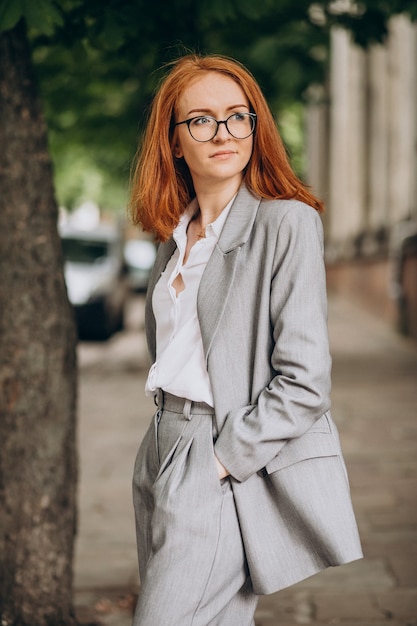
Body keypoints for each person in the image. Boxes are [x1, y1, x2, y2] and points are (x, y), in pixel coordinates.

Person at [129, 53, 363, 626]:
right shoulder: (173, 238)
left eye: (238, 116)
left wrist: (218, 463)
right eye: (202, 120)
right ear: (174, 140)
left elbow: (305, 383)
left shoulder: (286, 223)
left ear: (256, 127)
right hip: (159, 444)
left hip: (216, 454)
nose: (224, 133)